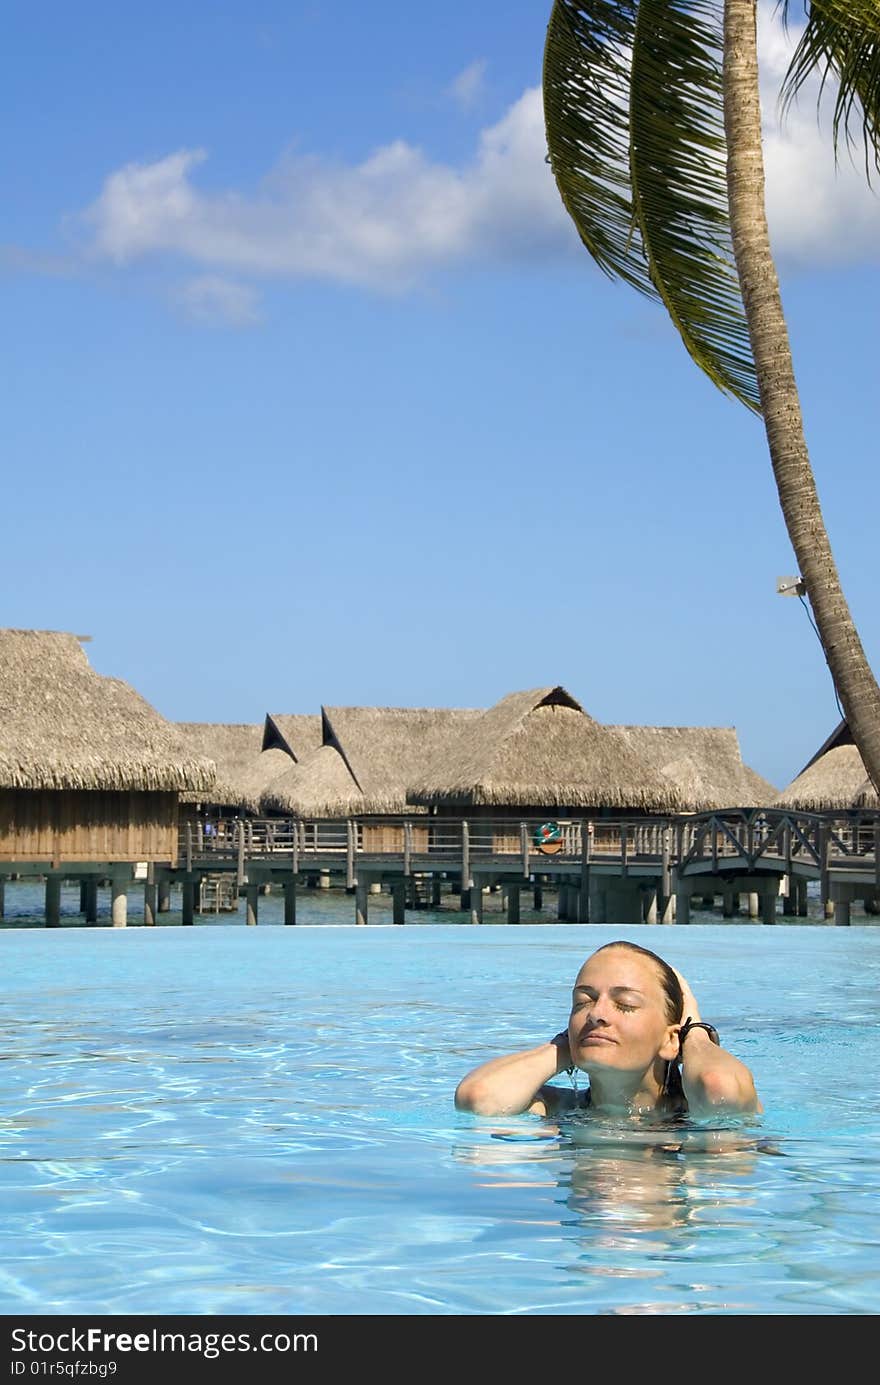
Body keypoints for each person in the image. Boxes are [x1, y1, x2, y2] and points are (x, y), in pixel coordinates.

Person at [454, 939, 762, 1120]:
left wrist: (692, 1032)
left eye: (625, 1003)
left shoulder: (693, 1114)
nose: (597, 1014)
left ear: (670, 1038)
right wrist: (571, 1044)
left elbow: (723, 1090)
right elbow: (478, 1098)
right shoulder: (558, 1109)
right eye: (583, 1002)